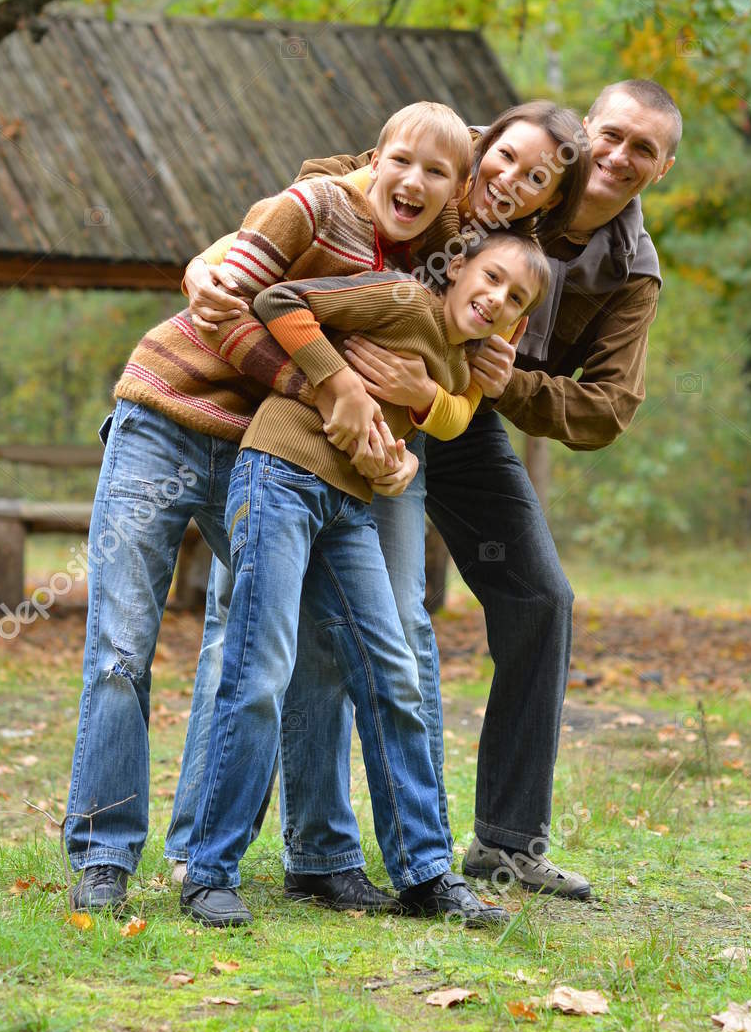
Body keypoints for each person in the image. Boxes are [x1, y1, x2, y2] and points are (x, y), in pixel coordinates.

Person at [244, 80, 681, 903]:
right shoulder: (492, 151)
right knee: (369, 615)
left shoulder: (631, 271)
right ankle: (318, 845)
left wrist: (505, 384)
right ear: (585, 131)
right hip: (374, 382)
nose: (620, 157)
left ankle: (506, 841)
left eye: (643, 151)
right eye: (613, 136)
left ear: (660, 171)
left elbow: (608, 408)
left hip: (466, 412)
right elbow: (338, 175)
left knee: (540, 596)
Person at [178, 101, 591, 906]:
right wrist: (327, 375)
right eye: (505, 159)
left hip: (363, 490)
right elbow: (280, 271)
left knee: (394, 655)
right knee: (257, 654)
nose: (513, 181)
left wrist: (422, 398)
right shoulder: (401, 257)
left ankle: (419, 872)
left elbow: (464, 405)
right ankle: (211, 863)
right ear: (480, 154)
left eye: (537, 178)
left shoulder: (500, 291)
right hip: (284, 464)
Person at [65, 101, 474, 913]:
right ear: (376, 157)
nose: (415, 182)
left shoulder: (428, 263)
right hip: (167, 418)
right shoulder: (310, 208)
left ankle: (288, 856)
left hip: (263, 454)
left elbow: (431, 385)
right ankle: (104, 854)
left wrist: (389, 444)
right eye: (402, 161)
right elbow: (224, 311)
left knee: (298, 647)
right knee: (121, 645)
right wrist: (327, 385)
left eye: (437, 173)